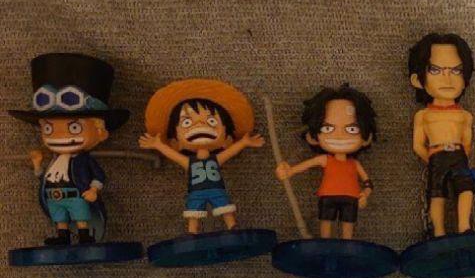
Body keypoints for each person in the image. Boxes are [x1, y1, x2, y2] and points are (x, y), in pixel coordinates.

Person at [9, 52, 128, 246]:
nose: (61, 136)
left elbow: (99, 175)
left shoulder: (83, 160)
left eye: (74, 128)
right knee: (60, 219)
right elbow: (44, 178)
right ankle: (62, 236)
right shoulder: (54, 161)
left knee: (80, 216)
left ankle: (84, 234)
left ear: (100, 132)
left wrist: (93, 190)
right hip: (54, 197)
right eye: (49, 128)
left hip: (76, 195)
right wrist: (37, 164)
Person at [139, 77, 264, 234]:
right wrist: (158, 145)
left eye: (211, 121)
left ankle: (232, 227)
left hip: (217, 191)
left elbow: (231, 151)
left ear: (227, 140)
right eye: (186, 123)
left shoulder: (215, 159)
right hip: (196, 193)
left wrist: (244, 142)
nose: (200, 125)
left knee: (224, 207)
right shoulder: (190, 162)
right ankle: (192, 233)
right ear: (175, 143)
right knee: (194, 212)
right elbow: (172, 155)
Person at [275, 85, 377, 239]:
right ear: (312, 136)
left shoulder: (354, 163)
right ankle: (325, 244)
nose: (340, 136)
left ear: (366, 138)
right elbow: (305, 166)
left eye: (352, 130)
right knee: (326, 222)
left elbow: (368, 183)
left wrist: (365, 194)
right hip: (328, 196)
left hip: (351, 197)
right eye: (328, 129)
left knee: (348, 225)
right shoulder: (325, 160)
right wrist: (289, 171)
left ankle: (347, 245)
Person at [409, 33, 475, 237]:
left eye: (456, 70)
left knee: (466, 189)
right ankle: (438, 232)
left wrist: (461, 156)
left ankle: (464, 227)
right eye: (435, 70)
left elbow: (467, 142)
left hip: (458, 155)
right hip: (436, 156)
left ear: (466, 79)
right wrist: (431, 159)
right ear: (417, 79)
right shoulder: (423, 115)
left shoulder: (465, 115)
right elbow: (417, 145)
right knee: (437, 194)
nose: (447, 78)